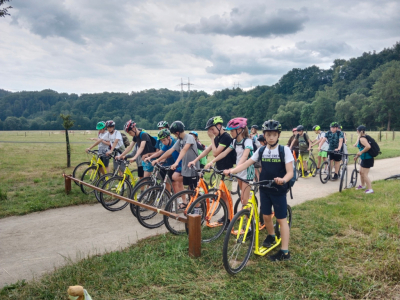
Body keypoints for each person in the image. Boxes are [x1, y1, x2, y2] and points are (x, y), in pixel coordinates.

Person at [223, 120, 293, 261]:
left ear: (278, 135)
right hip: (264, 188)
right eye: (268, 134)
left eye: (274, 134)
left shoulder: (284, 150)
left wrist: (283, 180)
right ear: (264, 136)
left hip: (278, 189)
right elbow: (247, 163)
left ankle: (285, 252)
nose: (271, 137)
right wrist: (232, 170)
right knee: (266, 216)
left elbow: (290, 172)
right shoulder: (261, 150)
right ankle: (271, 236)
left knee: (281, 219)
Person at [205, 117, 254, 207]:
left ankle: (249, 219)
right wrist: (212, 161)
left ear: (239, 130)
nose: (230, 133)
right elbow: (224, 153)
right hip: (238, 171)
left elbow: (245, 156)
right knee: (242, 198)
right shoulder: (234, 142)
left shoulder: (248, 141)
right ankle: (244, 216)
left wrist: (235, 169)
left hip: (247, 172)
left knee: (244, 200)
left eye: (232, 131)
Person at [154, 121, 200, 192]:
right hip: (186, 166)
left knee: (193, 191)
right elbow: (170, 150)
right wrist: (158, 159)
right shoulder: (179, 140)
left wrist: (176, 162)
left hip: (193, 166)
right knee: (190, 190)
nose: (174, 136)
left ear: (177, 132)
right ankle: (189, 201)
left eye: (174, 134)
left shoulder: (189, 137)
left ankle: (199, 184)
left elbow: (184, 150)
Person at [144, 129, 184, 193]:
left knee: (177, 182)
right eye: (161, 141)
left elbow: (169, 153)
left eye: (164, 140)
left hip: (180, 163)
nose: (163, 142)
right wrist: (150, 157)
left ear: (168, 137)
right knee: (170, 181)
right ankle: (172, 198)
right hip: (175, 163)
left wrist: (158, 160)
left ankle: (179, 199)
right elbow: (159, 152)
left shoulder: (174, 142)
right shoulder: (167, 144)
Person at [355, 125, 374, 193]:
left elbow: (368, 147)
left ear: (359, 131)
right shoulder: (362, 137)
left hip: (368, 158)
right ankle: (363, 185)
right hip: (363, 158)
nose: (356, 130)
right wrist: (357, 156)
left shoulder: (362, 139)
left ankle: (370, 189)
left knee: (365, 174)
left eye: (357, 130)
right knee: (361, 172)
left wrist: (361, 152)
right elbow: (361, 148)